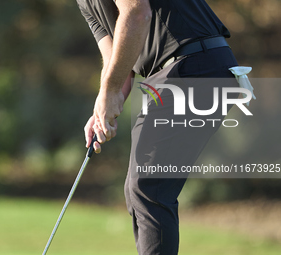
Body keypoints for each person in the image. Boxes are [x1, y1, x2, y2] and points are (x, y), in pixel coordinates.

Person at [76, 0, 240, 254]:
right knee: (141, 188)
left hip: (194, 65)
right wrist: (102, 108)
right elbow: (119, 62)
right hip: (184, 72)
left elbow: (137, 12)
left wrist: (109, 90)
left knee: (147, 185)